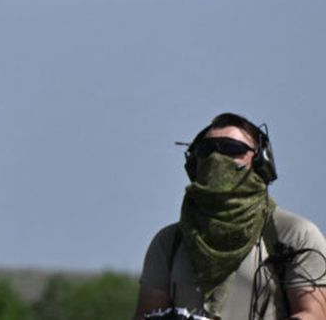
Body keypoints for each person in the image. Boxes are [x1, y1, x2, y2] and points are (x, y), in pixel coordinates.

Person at [134, 113, 326, 320]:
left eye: (232, 149)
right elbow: (146, 315)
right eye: (205, 150)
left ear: (261, 161)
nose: (217, 159)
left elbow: (313, 315)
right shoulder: (170, 242)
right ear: (193, 163)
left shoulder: (293, 235)